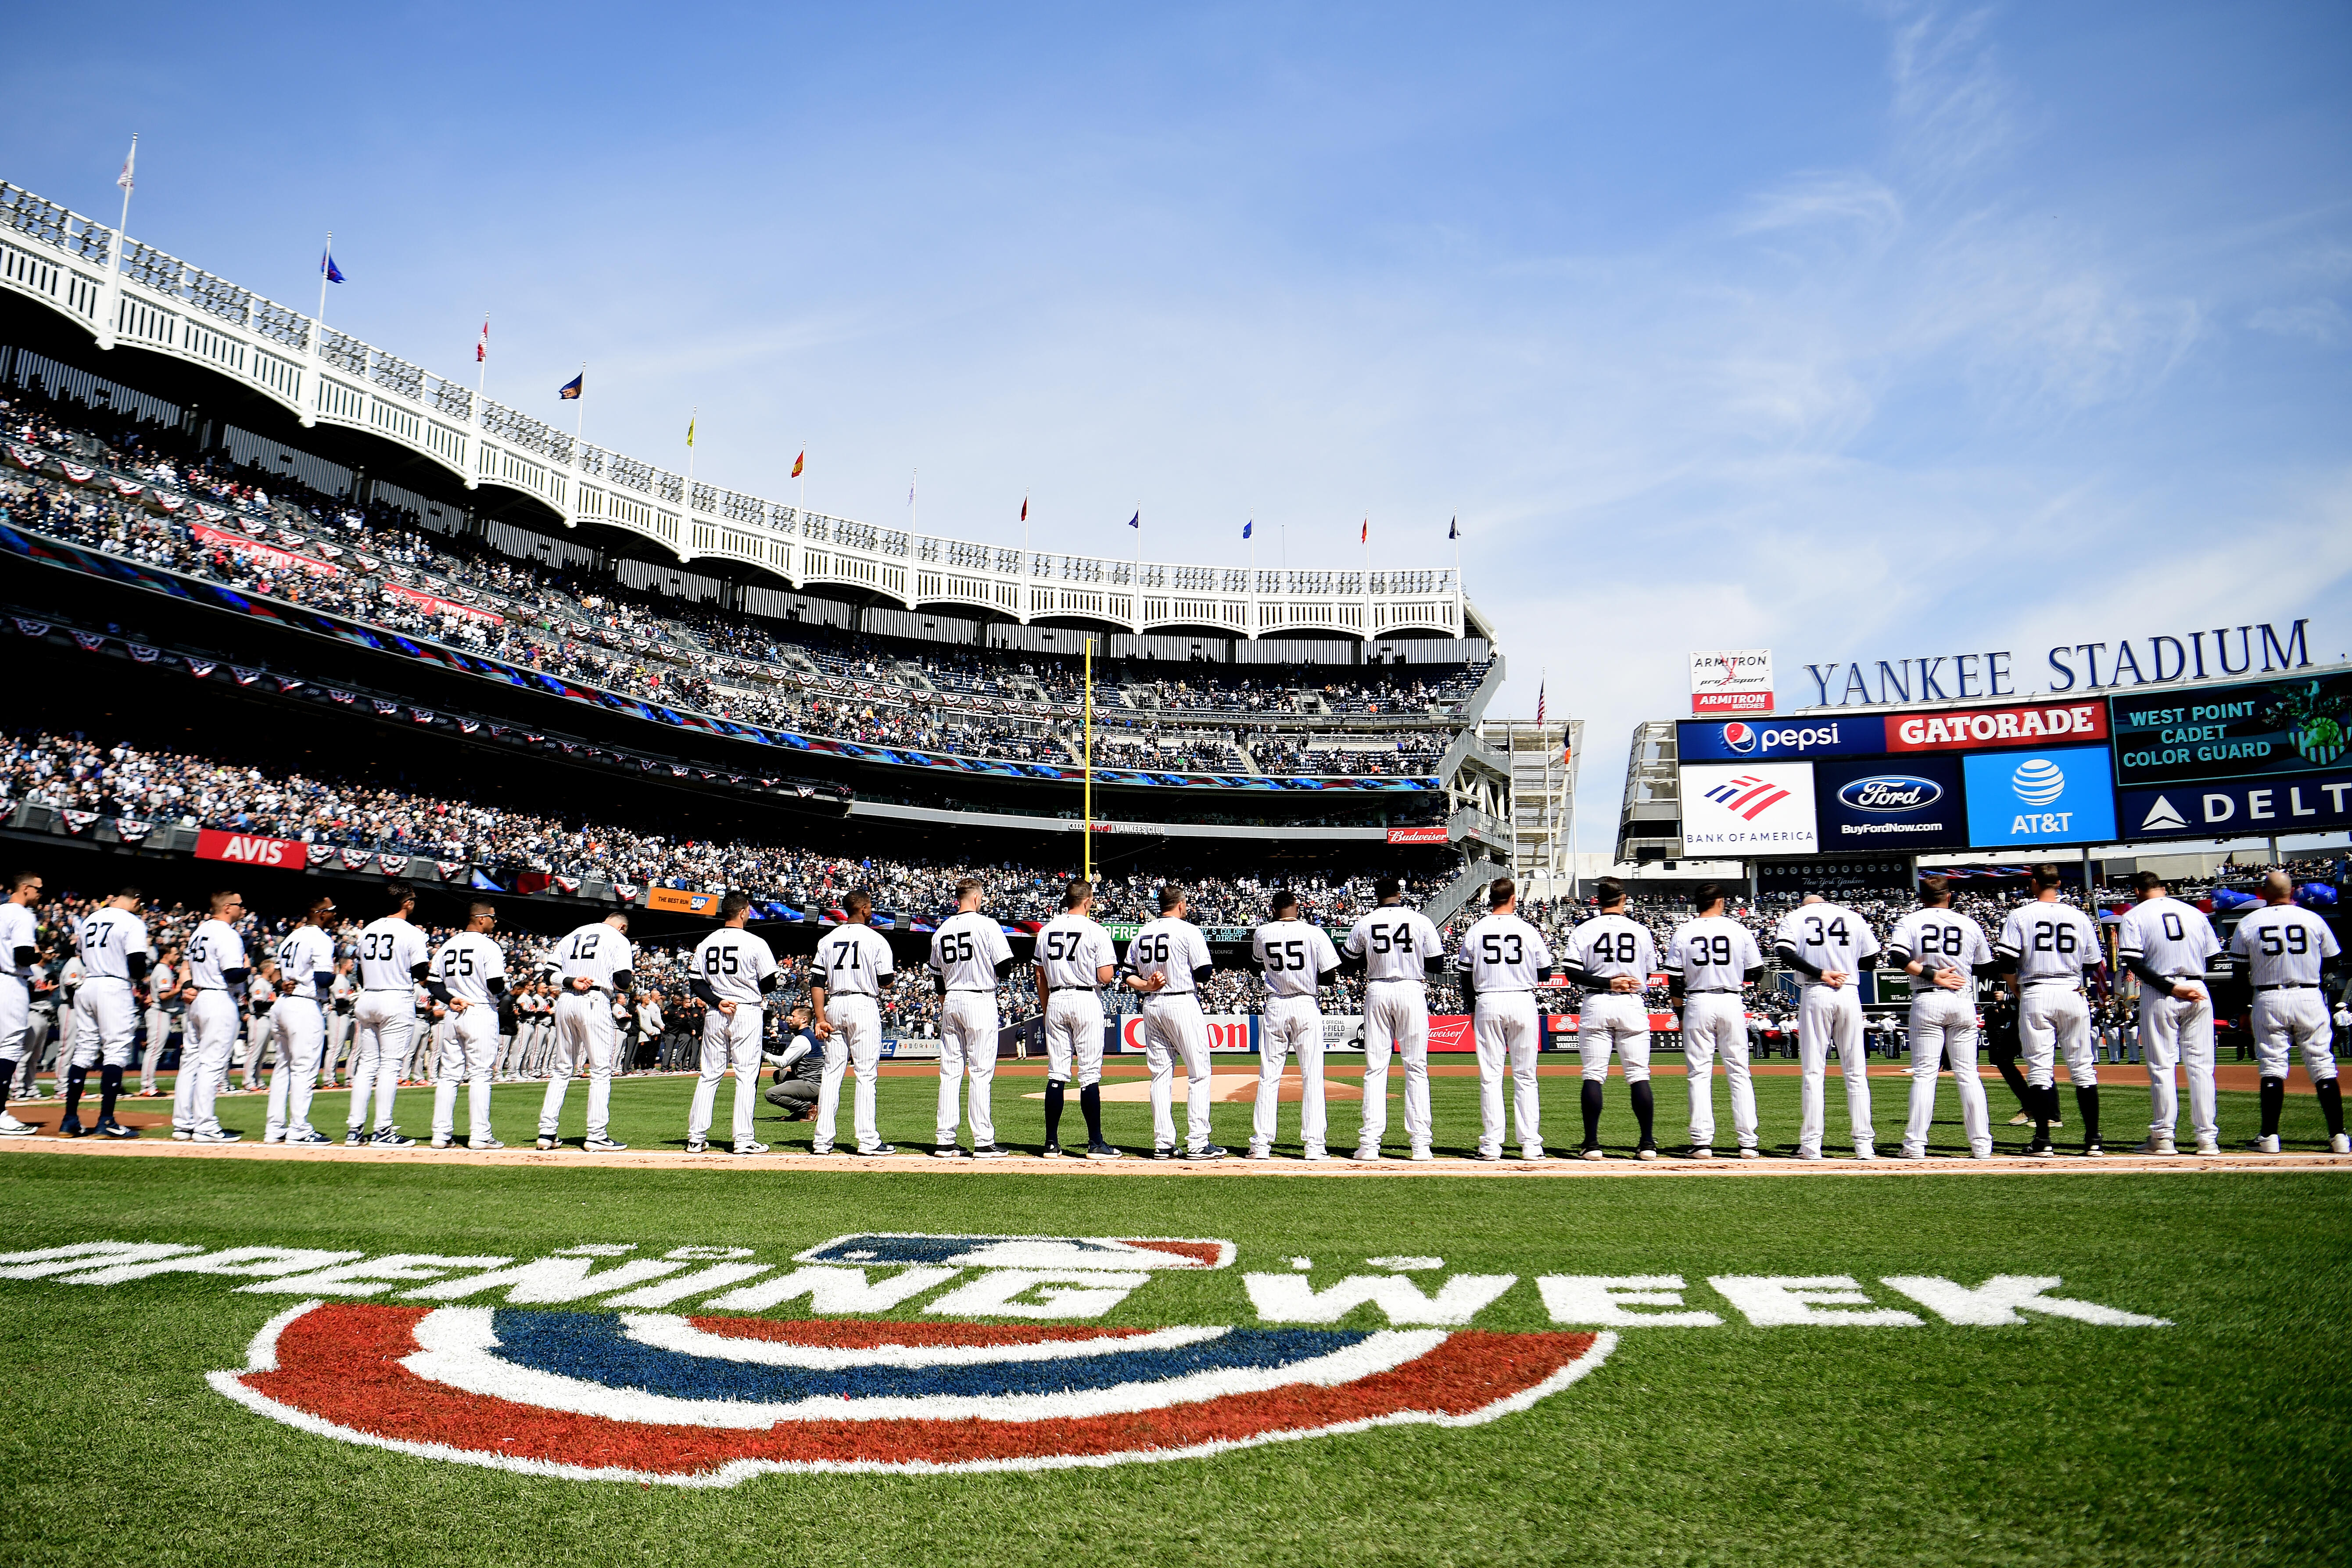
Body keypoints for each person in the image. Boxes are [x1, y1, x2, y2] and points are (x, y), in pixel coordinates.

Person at [2228, 869, 2346, 1154]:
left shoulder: (2250, 921)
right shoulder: (2312, 918)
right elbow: (2334, 960)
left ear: (2265, 892)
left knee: (2272, 1064)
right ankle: (2339, 1136)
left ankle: (2269, 1136)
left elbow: (2238, 971)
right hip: (2309, 994)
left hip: (2269, 996)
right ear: (2291, 891)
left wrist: (2243, 1009)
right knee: (2322, 1064)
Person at [1993, 865, 2105, 1159]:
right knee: (2083, 1067)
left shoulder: (2020, 915)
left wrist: (2016, 988)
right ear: (2058, 882)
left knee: (2040, 1068)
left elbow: (2006, 959)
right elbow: (2094, 963)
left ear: (2033, 883)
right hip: (2072, 990)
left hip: (2037, 990)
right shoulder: (2079, 916)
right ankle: (2094, 1139)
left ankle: (2043, 1139)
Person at [1885, 877, 1998, 1160]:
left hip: (1928, 995)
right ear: (1950, 896)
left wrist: (1933, 974)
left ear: (1922, 897)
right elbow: (1986, 968)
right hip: (1961, 997)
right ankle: (1982, 1145)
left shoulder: (1910, 920)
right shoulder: (1969, 923)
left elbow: (1897, 956)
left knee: (1925, 1075)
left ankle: (1914, 1145)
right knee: (1969, 1074)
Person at [2115, 872, 2222, 1157]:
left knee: (2163, 1067)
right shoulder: (2195, 913)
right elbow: (2212, 955)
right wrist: (2189, 979)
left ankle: (2163, 1137)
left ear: (2137, 890)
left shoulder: (2135, 915)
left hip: (2161, 989)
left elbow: (2134, 962)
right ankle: (2207, 1139)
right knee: (2201, 1068)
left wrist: (2173, 987)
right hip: (2197, 986)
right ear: (2164, 888)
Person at [1340, 875, 1446, 1162]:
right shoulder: (1420, 920)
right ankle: (1421, 1144)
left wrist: (1374, 958)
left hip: (1378, 988)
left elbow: (1348, 961)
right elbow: (1437, 963)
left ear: (1377, 896)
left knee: (1376, 1068)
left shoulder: (1366, 921)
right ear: (1400, 893)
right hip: (1412, 987)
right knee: (1416, 1067)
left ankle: (1371, 1144)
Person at [1773, 890, 1882, 1160]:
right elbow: (1871, 960)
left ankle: (1811, 1146)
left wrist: (1822, 971)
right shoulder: (1853, 916)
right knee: (1856, 1072)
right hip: (1848, 990)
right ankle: (1864, 1145)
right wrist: (1843, 961)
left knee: (1813, 1072)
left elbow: (1783, 951)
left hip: (1815, 990)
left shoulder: (1796, 916)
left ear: (1805, 904)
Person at [1453, 876, 1556, 1162]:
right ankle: (1531, 1145)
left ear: (1491, 900)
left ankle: (1491, 1145)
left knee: (1491, 1077)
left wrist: (1471, 1007)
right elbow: (1546, 972)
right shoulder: (1527, 929)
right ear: (1513, 899)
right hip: (1522, 998)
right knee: (1526, 1076)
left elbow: (1464, 974)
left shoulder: (1477, 929)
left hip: (1488, 999)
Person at [1663, 881, 1765, 1160]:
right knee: (1740, 1071)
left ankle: (1702, 1143)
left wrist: (1680, 1010)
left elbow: (1674, 978)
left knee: (1699, 1073)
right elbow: (1757, 972)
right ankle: (1748, 1143)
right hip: (1731, 999)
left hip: (1698, 999)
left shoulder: (1684, 931)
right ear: (1720, 901)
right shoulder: (1738, 929)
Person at [1563, 876, 1659, 1161]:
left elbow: (1572, 972)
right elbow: (1649, 973)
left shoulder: (1585, 929)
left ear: (1598, 900)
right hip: (1631, 1003)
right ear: (1623, 898)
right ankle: (1647, 1143)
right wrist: (1621, 982)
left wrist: (1606, 983)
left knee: (1594, 1074)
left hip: (1597, 1002)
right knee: (1639, 1074)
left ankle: (1592, 1144)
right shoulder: (1640, 930)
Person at [1123, 885, 1222, 1161]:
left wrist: (1148, 983)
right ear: (1180, 905)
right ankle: (1199, 1142)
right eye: (1186, 904)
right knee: (1199, 1072)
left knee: (1160, 1075)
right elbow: (1204, 973)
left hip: (1152, 1004)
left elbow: (1128, 976)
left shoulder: (1142, 931)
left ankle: (1163, 1143)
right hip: (1181, 1001)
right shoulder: (1189, 930)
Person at [1248, 888, 1342, 1160]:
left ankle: (1262, 1144)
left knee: (1269, 1076)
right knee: (1312, 1075)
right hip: (1304, 1003)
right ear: (1297, 907)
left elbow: (1255, 962)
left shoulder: (1263, 932)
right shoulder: (1314, 933)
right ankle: (1314, 1145)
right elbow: (1330, 977)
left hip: (1276, 1003)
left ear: (1273, 910)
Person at [928, 877, 1016, 1159]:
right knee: (980, 1071)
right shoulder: (987, 925)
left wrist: (949, 1002)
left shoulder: (941, 930)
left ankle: (945, 1140)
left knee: (950, 1072)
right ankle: (983, 1140)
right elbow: (1005, 966)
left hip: (952, 998)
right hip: (979, 997)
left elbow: (938, 979)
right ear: (977, 899)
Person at [687, 892, 781, 1155]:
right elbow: (770, 982)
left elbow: (696, 983)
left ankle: (696, 1137)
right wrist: (749, 987)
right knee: (746, 1076)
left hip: (717, 1011)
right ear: (742, 912)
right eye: (748, 910)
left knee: (709, 1075)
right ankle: (743, 1139)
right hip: (746, 1011)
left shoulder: (707, 942)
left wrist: (718, 1001)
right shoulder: (755, 942)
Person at [1033, 880, 1121, 1159]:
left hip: (1056, 998)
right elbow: (1106, 976)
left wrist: (1048, 1008)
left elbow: (1039, 975)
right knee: (1089, 1074)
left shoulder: (1046, 930)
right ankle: (1096, 1143)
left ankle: (1050, 1144)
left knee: (1057, 1073)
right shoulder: (1096, 930)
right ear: (1087, 901)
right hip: (1085, 998)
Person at [538, 909, 635, 1152]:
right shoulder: (619, 939)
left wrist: (571, 980)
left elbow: (548, 974)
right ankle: (596, 1135)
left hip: (566, 999)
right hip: (595, 999)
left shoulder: (574, 934)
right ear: (622, 927)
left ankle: (547, 1132)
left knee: (562, 1069)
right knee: (601, 1070)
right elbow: (623, 981)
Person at [809, 891, 895, 1156]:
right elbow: (886, 980)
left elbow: (817, 982)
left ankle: (822, 1141)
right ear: (865, 909)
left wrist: (820, 1018)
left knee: (832, 1074)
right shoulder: (876, 939)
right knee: (866, 1074)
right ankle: (867, 1140)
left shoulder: (828, 939)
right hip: (862, 1004)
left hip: (834, 1004)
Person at [62, 886, 150, 1139]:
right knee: (117, 1050)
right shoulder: (132, 921)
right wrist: (141, 978)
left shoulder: (91, 918)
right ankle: (106, 1121)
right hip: (114, 985)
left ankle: (70, 1120)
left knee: (84, 1050)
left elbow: (78, 954)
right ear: (137, 900)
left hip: (88, 984)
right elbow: (136, 964)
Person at [349, 881, 430, 1148]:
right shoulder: (411, 932)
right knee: (390, 1066)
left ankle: (355, 1129)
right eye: (414, 900)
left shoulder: (368, 930)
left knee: (367, 1066)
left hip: (368, 995)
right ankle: (383, 1130)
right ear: (407, 903)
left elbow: (359, 972)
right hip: (395, 997)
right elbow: (420, 972)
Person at [429, 901, 509, 1150]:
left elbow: (433, 983)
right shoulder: (489, 946)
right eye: (494, 918)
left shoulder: (449, 945)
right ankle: (480, 1135)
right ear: (481, 919)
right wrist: (506, 991)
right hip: (480, 1010)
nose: (496, 922)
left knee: (449, 1075)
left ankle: (441, 1134)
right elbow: (496, 984)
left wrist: (450, 999)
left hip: (454, 1011)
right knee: (481, 1074)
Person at [172, 889, 249, 1144]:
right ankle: (205, 1125)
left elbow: (186, 968)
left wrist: (186, 987)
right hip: (217, 998)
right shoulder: (226, 933)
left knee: (190, 1063)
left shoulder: (200, 931)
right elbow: (233, 975)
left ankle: (183, 1124)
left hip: (197, 999)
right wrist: (250, 969)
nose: (243, 909)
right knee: (211, 1064)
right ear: (227, 907)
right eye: (239, 905)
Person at [265, 894, 339, 1145]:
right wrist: (335, 971)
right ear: (320, 913)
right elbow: (323, 980)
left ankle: (274, 1128)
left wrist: (280, 983)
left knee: (283, 1068)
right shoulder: (319, 937)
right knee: (304, 1070)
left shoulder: (292, 936)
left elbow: (275, 971)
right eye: (331, 911)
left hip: (284, 1004)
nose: (335, 914)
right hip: (305, 1005)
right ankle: (299, 1128)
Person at [0, 870, 43, 1137]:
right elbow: (24, 956)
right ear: (25, 888)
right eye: (38, 889)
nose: (40, 894)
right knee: (10, 1046)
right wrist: (38, 952)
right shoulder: (22, 915)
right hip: (9, 982)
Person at [763, 1005, 822, 1122]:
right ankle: (801, 1111)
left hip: (812, 1085)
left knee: (771, 1094)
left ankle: (809, 1108)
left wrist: (762, 1053)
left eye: (794, 1016)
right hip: (813, 1082)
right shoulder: (805, 1036)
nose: (790, 1019)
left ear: (804, 1020)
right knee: (779, 1075)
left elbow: (782, 1062)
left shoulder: (803, 1039)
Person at [139, 943, 179, 1097]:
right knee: (154, 1050)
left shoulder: (161, 969)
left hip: (159, 1012)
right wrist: (179, 989)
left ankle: (148, 1085)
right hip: (159, 1012)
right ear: (166, 954)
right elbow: (163, 996)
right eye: (175, 954)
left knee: (154, 1050)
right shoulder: (163, 970)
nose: (177, 957)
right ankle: (147, 1086)